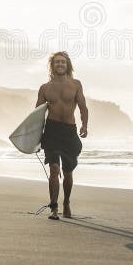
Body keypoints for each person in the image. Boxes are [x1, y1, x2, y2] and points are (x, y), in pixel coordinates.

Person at [36, 51, 88, 220]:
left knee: (68, 171)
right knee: (53, 169)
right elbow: (37, 114)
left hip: (69, 132)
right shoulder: (45, 88)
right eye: (57, 62)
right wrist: (35, 136)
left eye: (63, 62)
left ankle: (66, 202)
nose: (60, 64)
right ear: (52, 65)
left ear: (68, 65)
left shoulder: (75, 84)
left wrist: (84, 125)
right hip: (51, 131)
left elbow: (83, 107)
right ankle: (53, 207)